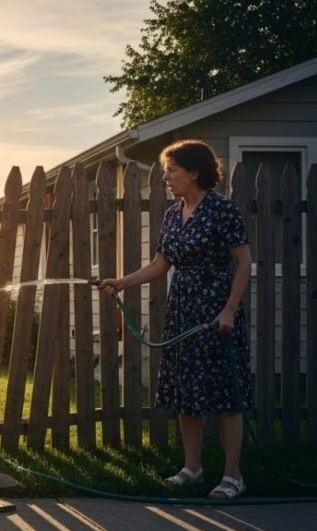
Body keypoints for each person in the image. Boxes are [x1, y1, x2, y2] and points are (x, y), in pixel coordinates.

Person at [98, 139, 252, 499]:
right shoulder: (172, 214)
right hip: (182, 309)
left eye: (172, 170)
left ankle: (233, 476)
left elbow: (243, 263)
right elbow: (160, 265)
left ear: (194, 172)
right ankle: (192, 468)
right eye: (166, 170)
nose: (166, 177)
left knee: (226, 394)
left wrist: (229, 310)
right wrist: (122, 282)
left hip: (216, 311)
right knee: (186, 392)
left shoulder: (221, 209)